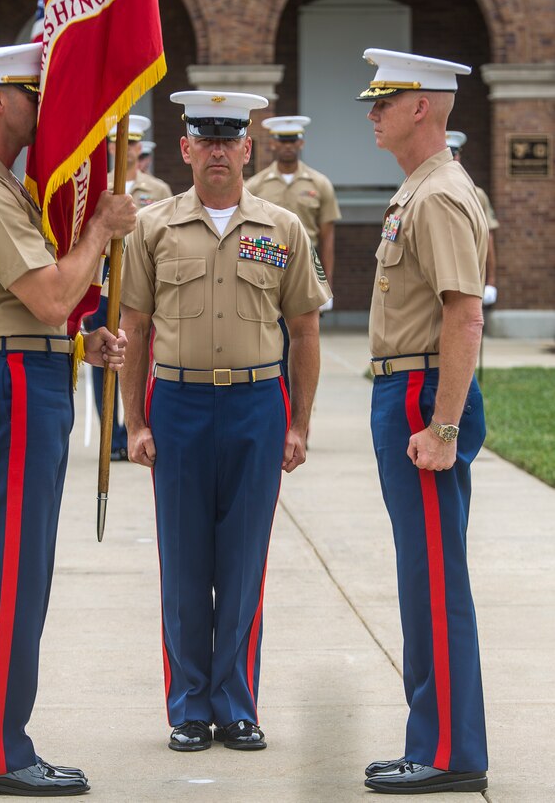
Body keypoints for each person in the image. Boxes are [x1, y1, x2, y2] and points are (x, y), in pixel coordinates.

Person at [0, 43, 136, 796]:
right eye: (30, 92)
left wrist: (82, 338)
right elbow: (49, 296)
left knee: (23, 575)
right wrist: (101, 232)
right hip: (12, 382)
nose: (44, 107)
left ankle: (2, 742)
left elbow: (36, 311)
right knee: (11, 576)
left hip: (27, 370)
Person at [118, 90, 330, 752]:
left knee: (243, 562)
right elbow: (135, 326)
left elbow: (304, 329)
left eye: (228, 139)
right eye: (203, 140)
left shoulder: (281, 230)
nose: (216, 151)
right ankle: (188, 708)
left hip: (256, 407)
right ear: (184, 149)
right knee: (183, 563)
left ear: (248, 148)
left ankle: (236, 703)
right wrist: (134, 421)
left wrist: (300, 425)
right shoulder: (152, 228)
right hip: (177, 407)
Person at [357, 49, 489, 794]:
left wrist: (441, 428)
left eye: (384, 100)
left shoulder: (437, 194)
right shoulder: (421, 188)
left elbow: (463, 316)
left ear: (421, 108)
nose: (372, 112)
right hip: (407, 390)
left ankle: (449, 751)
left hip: (422, 396)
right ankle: (433, 737)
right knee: (424, 577)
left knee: (436, 581)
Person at [87, 115, 172, 460]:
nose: (127, 148)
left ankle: (137, 424)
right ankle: (111, 433)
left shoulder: (159, 190)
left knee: (141, 351)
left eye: (134, 143)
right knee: (105, 352)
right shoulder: (98, 188)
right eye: (121, 143)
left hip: (145, 273)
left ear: (140, 148)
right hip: (106, 274)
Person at [245, 115, 341, 309]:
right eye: (282, 140)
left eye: (292, 140)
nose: (288, 146)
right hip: (267, 265)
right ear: (272, 144)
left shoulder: (320, 184)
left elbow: (327, 237)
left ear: (301, 143)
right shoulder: (255, 185)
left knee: (307, 332)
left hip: (307, 266)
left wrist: (326, 283)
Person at [446, 131, 499, 307]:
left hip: (470, 280)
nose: (451, 159)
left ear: (459, 156)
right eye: (446, 154)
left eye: (454, 154)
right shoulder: (425, 192)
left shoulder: (477, 195)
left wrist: (490, 282)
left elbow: (488, 238)